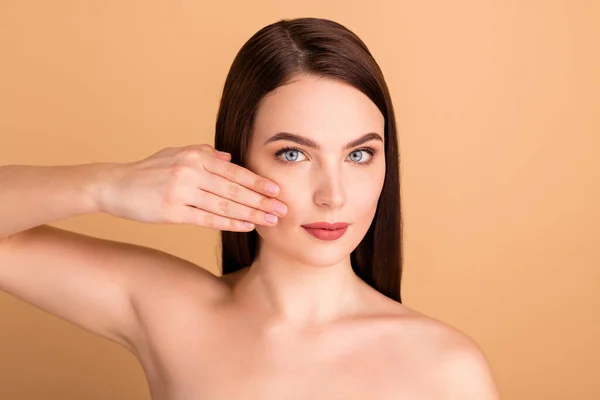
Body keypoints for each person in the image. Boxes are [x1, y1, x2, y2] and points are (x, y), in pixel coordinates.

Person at [0, 17, 499, 399]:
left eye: (359, 154)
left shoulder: (446, 368)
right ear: (236, 158)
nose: (334, 194)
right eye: (293, 154)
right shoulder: (172, 311)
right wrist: (107, 185)